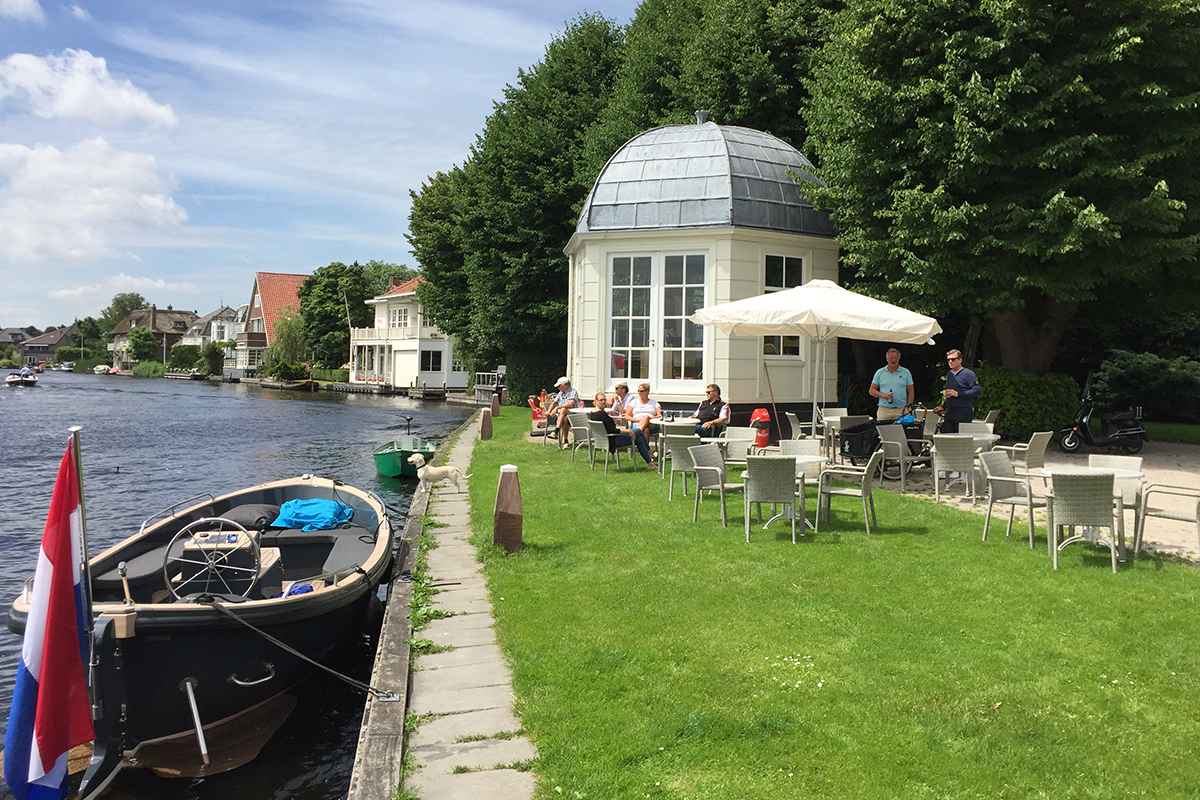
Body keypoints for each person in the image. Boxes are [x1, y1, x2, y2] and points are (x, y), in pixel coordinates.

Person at [590, 392, 654, 467]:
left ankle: (650, 462)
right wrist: (628, 431)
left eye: (604, 400)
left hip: (604, 440)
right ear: (596, 401)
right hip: (613, 441)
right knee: (638, 433)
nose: (603, 402)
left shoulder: (593, 413)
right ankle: (650, 455)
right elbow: (612, 430)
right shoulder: (602, 414)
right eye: (601, 400)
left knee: (638, 436)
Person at [937, 349, 981, 433]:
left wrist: (958, 394)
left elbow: (977, 390)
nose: (950, 361)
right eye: (948, 359)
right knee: (945, 436)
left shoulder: (969, 374)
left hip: (963, 412)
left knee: (961, 441)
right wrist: (943, 407)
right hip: (950, 413)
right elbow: (950, 394)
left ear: (960, 360)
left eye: (953, 359)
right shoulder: (949, 374)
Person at [870, 348, 915, 423]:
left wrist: (908, 407)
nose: (893, 360)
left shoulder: (906, 372)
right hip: (884, 410)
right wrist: (883, 395)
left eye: (896, 358)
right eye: (891, 358)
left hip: (901, 410)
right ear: (887, 359)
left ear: (899, 360)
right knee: (883, 432)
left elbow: (911, 390)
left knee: (902, 433)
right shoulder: (880, 372)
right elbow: (872, 390)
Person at [623, 382, 662, 465]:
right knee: (645, 430)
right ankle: (648, 455)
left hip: (652, 424)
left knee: (646, 417)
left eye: (642, 391)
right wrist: (640, 420)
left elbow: (659, 415)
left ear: (647, 392)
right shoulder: (634, 402)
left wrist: (648, 419)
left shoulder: (654, 403)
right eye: (638, 391)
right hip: (637, 422)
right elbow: (627, 416)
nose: (639, 393)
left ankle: (637, 431)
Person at [544, 377, 579, 447]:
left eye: (559, 386)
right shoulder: (560, 393)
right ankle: (565, 441)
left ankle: (556, 431)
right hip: (562, 416)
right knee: (564, 419)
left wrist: (557, 407)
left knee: (563, 410)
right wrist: (548, 411)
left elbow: (570, 404)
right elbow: (553, 403)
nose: (558, 388)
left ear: (565, 385)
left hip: (572, 413)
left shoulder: (573, 392)